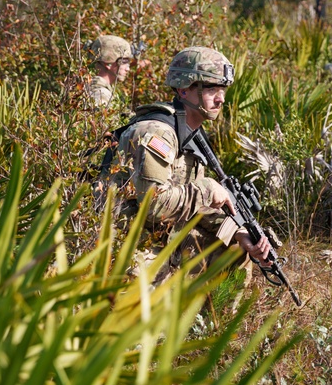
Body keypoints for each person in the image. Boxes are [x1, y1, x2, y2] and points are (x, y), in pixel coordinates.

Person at [114, 46, 271, 281]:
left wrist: (237, 231)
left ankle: (214, 318)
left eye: (223, 90)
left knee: (236, 252)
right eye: (211, 89)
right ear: (184, 89)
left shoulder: (189, 132)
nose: (220, 99)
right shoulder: (157, 133)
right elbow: (153, 204)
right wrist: (207, 188)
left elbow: (190, 202)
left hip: (160, 232)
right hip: (126, 239)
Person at [86, 35, 133, 107]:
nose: (127, 69)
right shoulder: (101, 94)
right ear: (108, 63)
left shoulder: (92, 88)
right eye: (123, 62)